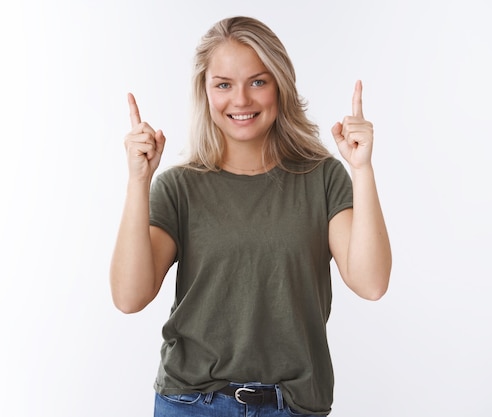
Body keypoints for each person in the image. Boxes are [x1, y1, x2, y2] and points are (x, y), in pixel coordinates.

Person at [110, 16, 391, 417]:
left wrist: (362, 170)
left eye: (257, 81)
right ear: (205, 92)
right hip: (192, 403)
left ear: (280, 86)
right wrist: (139, 181)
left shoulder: (323, 178)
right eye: (223, 84)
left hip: (292, 406)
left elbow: (371, 283)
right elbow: (128, 297)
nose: (240, 100)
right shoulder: (179, 188)